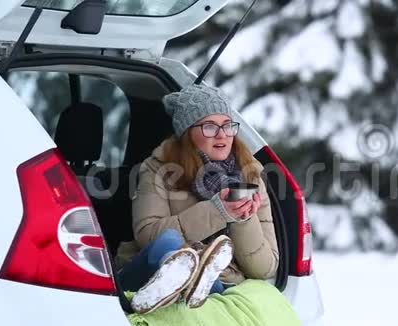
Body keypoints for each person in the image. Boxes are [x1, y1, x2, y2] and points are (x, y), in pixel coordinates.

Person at [115, 84, 279, 314]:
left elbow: (265, 268)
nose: (222, 135)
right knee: (169, 243)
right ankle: (174, 283)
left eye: (227, 125)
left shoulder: (251, 176)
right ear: (187, 132)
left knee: (209, 272)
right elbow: (147, 235)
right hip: (148, 268)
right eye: (210, 126)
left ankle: (195, 282)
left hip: (221, 283)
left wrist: (242, 217)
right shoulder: (158, 170)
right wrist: (217, 211)